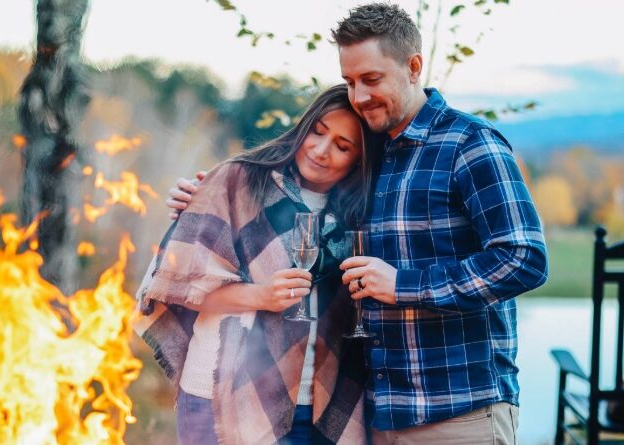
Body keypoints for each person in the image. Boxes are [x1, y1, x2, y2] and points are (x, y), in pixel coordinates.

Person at [167, 4, 549, 443]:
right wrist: (210, 197)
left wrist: (403, 285)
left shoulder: (469, 143)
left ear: (413, 67)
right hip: (378, 415)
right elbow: (296, 198)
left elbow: (524, 259)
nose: (359, 95)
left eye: (372, 79)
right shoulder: (374, 155)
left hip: (457, 411)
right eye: (350, 81)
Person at [136, 84, 380, 445]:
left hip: (320, 408)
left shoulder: (360, 214)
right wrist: (260, 296)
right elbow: (177, 287)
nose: (321, 151)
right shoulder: (238, 181)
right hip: (222, 398)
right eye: (318, 132)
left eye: (343, 147)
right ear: (304, 126)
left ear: (360, 159)